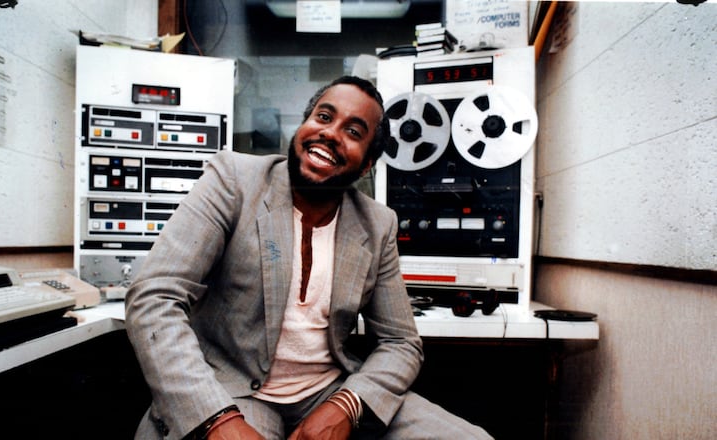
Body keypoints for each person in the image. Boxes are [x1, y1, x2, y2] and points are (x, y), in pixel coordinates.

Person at [125, 76, 492, 440]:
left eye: (353, 131)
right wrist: (217, 419)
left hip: (329, 391)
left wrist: (348, 404)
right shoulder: (234, 181)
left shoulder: (378, 224)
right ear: (303, 126)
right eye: (323, 117)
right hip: (234, 389)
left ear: (366, 166)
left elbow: (401, 343)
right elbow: (155, 298)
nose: (330, 133)